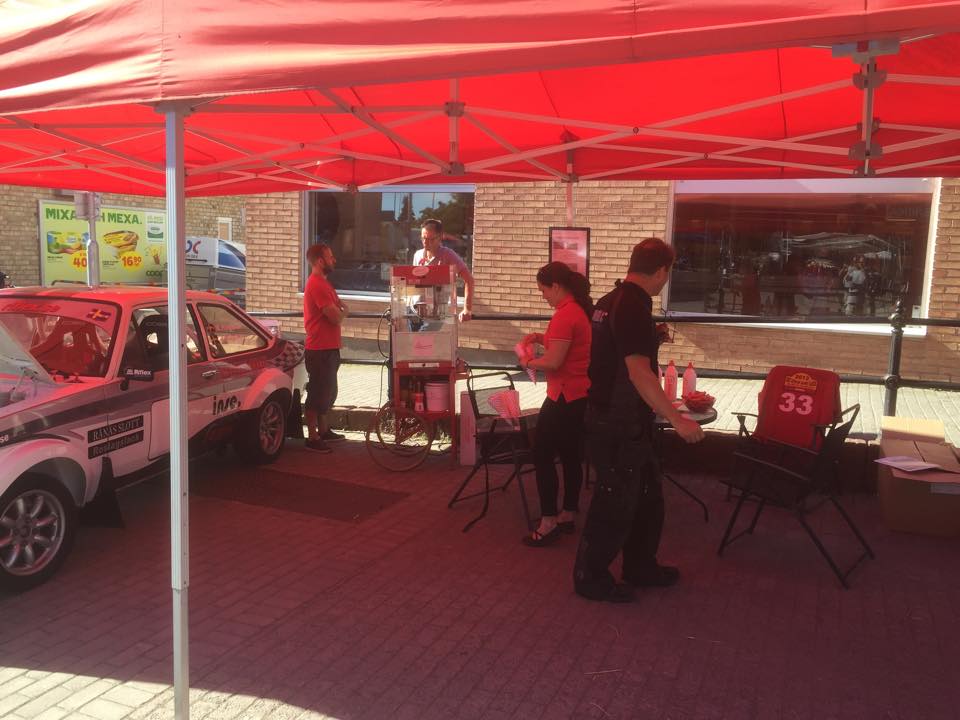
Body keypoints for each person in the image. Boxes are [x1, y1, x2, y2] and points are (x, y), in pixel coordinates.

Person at [573, 238, 705, 603]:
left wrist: (651, 341)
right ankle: (590, 578)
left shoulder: (609, 301)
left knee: (647, 497)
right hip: (618, 422)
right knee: (614, 502)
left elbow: (613, 355)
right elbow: (638, 373)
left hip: (616, 418)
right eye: (669, 271)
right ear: (662, 270)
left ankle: (640, 566)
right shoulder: (632, 307)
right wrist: (678, 420)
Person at [517, 262, 593, 547]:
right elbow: (565, 345)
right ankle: (568, 512)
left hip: (563, 395)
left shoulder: (564, 315)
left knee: (542, 454)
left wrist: (527, 361)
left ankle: (548, 521)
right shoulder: (578, 310)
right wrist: (539, 337)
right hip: (579, 394)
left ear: (557, 287)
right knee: (571, 455)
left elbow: (554, 361)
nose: (543, 296)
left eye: (543, 291)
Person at [303, 243, 348, 453]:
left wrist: (341, 310)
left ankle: (323, 430)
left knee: (327, 392)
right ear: (320, 261)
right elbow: (336, 315)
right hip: (319, 348)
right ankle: (312, 437)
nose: (334, 260)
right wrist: (343, 312)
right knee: (317, 392)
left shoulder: (324, 283)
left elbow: (338, 308)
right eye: (330, 257)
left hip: (328, 347)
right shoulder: (317, 284)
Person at [413, 219, 475, 322]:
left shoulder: (448, 255)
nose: (426, 243)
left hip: (438, 315)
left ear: (440, 237)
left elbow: (469, 280)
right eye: (423, 238)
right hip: (417, 313)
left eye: (431, 239)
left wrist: (467, 309)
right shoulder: (417, 255)